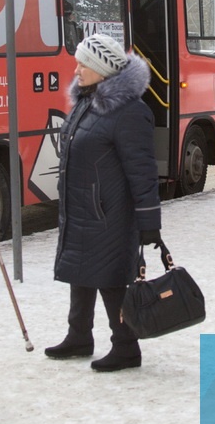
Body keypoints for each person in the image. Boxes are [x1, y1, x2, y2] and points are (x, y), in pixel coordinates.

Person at [46, 33, 162, 373]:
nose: (77, 68)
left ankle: (126, 347)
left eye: (84, 63)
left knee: (111, 279)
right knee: (79, 274)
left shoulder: (129, 112)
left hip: (110, 212)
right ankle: (79, 335)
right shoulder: (87, 100)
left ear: (102, 69)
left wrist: (149, 221)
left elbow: (142, 169)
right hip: (83, 207)